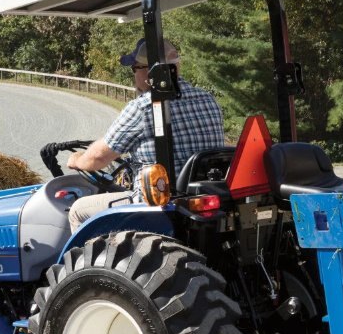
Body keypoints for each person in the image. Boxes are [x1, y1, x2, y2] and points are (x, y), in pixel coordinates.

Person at [66, 38, 224, 231]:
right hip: (202, 197)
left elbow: (97, 158)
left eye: (135, 68)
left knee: (78, 210)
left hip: (156, 203)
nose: (134, 75)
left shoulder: (142, 107)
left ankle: (89, 252)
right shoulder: (208, 99)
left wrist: (77, 160)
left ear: (149, 71)